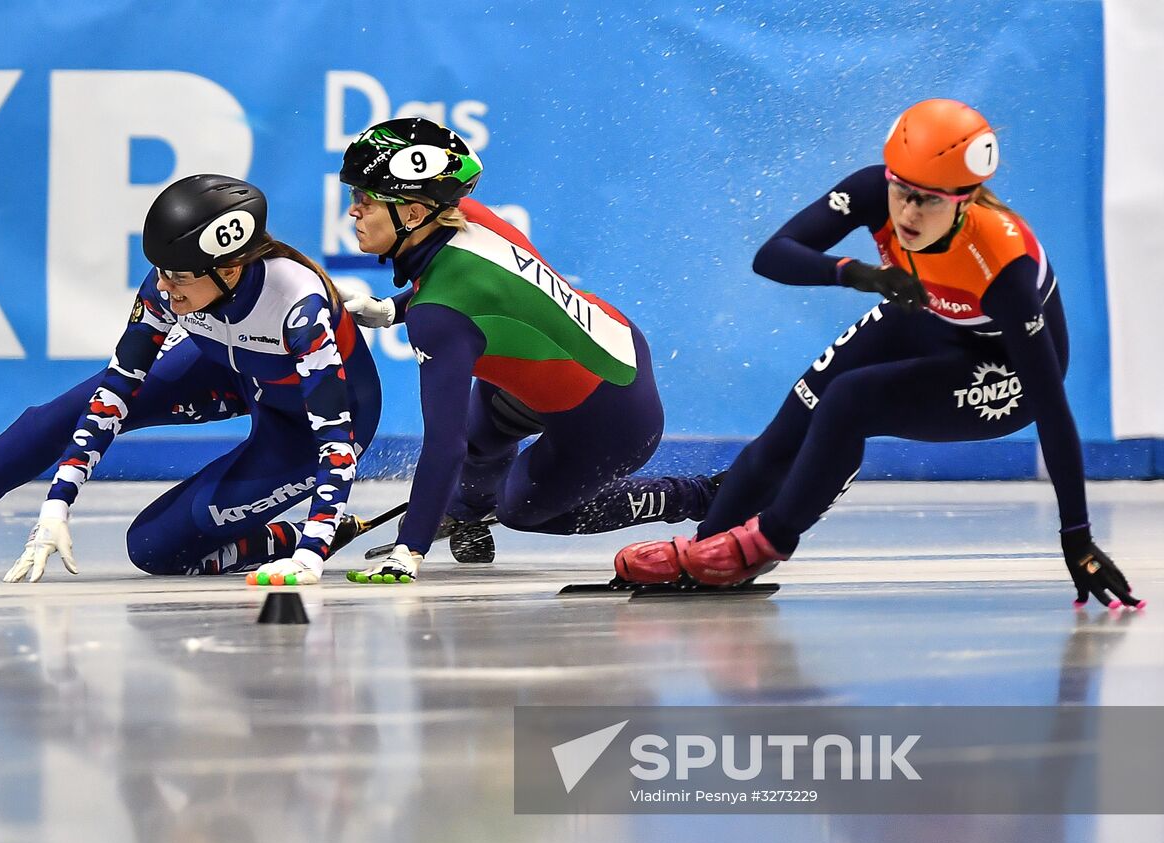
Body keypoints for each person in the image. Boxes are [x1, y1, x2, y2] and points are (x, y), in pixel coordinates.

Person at [614, 99, 1143, 610]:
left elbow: (1052, 406)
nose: (910, 212)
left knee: (850, 399)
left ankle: (765, 544)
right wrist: (857, 273)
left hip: (1008, 372)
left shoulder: (1003, 266)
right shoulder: (873, 189)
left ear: (966, 199)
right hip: (929, 313)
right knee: (793, 420)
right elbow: (772, 256)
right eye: (903, 192)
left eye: (930, 199)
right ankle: (708, 544)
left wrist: (1077, 536)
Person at [0, 174, 381, 586]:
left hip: (313, 423)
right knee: (58, 415)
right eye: (161, 271)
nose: (165, 288)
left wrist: (311, 548)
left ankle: (303, 533)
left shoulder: (297, 305)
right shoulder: (172, 280)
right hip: (227, 368)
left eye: (179, 277)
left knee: (154, 549)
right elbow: (115, 392)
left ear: (231, 267)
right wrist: (57, 504)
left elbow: (336, 445)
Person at [337, 118, 718, 584]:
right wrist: (391, 309)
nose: (354, 211)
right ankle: (469, 511)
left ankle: (697, 495)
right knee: (484, 437)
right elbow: (485, 293)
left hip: (612, 413)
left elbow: (443, 444)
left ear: (414, 214)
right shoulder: (468, 216)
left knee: (521, 510)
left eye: (365, 200)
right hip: (605, 343)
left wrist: (409, 548)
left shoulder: (438, 319)